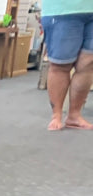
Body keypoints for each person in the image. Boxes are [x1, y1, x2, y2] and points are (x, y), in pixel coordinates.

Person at [40, 1, 93, 130]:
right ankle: (56, 115)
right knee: (60, 65)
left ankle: (74, 115)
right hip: (62, 10)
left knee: (88, 64)